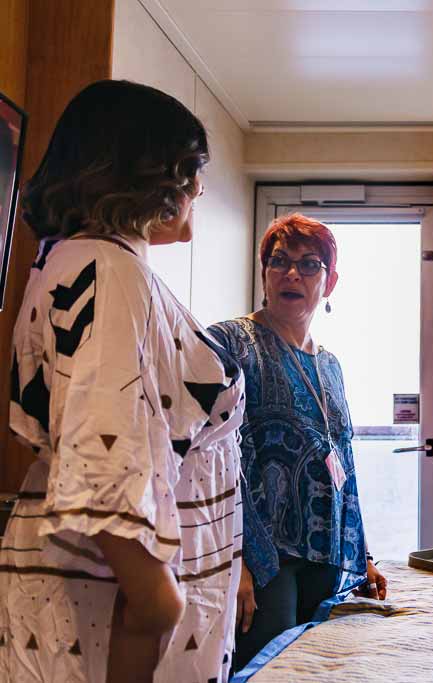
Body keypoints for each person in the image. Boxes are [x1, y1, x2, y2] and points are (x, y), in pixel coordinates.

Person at [2, 80, 245, 682]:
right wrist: (158, 600)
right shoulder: (109, 271)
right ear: (149, 173)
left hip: (106, 597)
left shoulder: (76, 259)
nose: (197, 187)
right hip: (117, 614)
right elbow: (101, 441)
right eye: (190, 170)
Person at [208, 213, 387, 671]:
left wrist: (362, 555)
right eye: (279, 261)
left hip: (326, 551)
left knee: (319, 670)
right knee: (269, 669)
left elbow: (343, 457)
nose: (292, 273)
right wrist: (235, 559)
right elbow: (212, 457)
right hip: (263, 553)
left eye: (309, 265)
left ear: (329, 283)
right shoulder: (230, 342)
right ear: (264, 273)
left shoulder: (331, 365)